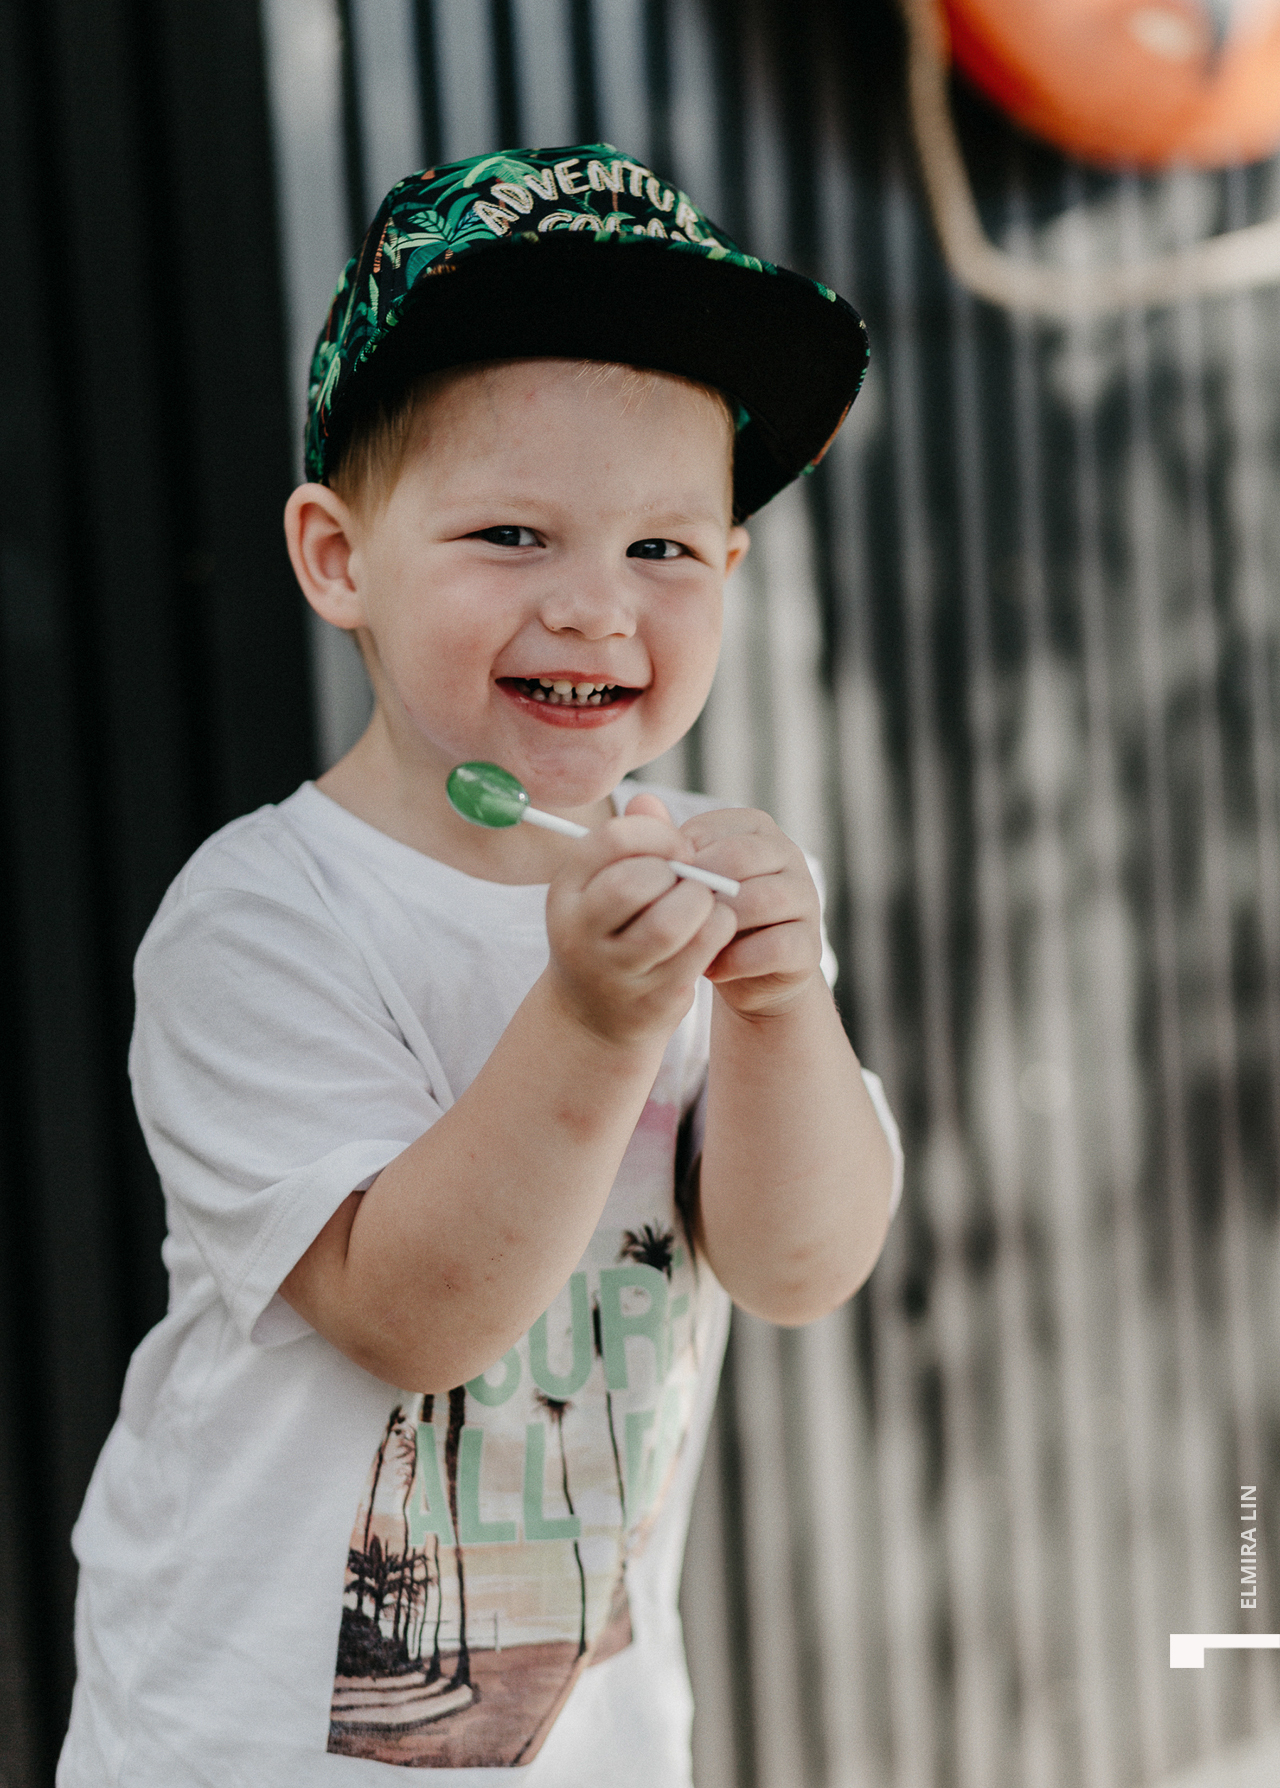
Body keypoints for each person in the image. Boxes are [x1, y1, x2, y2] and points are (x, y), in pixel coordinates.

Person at [58, 144, 902, 1787]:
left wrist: (781, 1007)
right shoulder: (266, 918)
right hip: (242, 1743)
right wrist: (592, 1021)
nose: (595, 607)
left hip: (587, 1740)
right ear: (339, 559)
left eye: (664, 549)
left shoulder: (705, 880)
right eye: (514, 533)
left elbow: (799, 1265)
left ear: (729, 571)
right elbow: (414, 1317)